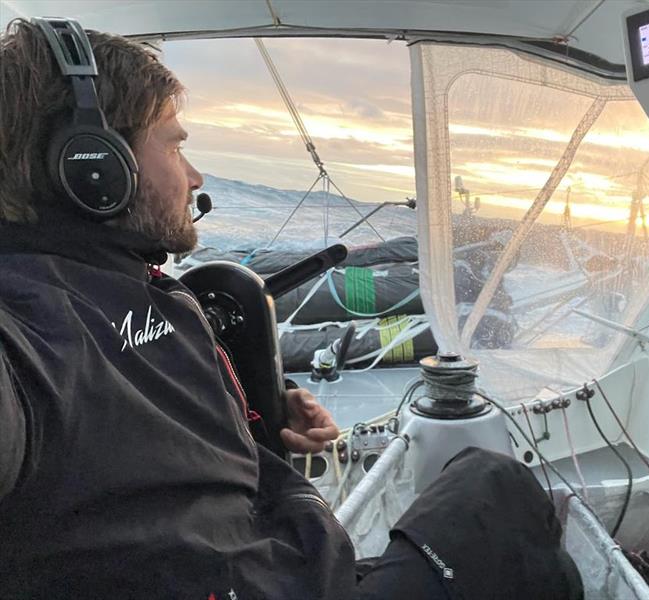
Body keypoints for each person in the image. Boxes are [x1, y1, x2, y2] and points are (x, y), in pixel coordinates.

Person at [0, 18, 582, 599]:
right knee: (494, 483)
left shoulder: (127, 284)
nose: (195, 175)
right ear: (92, 167)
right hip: (283, 580)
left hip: (287, 561)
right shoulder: (30, 328)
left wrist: (256, 415)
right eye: (175, 145)